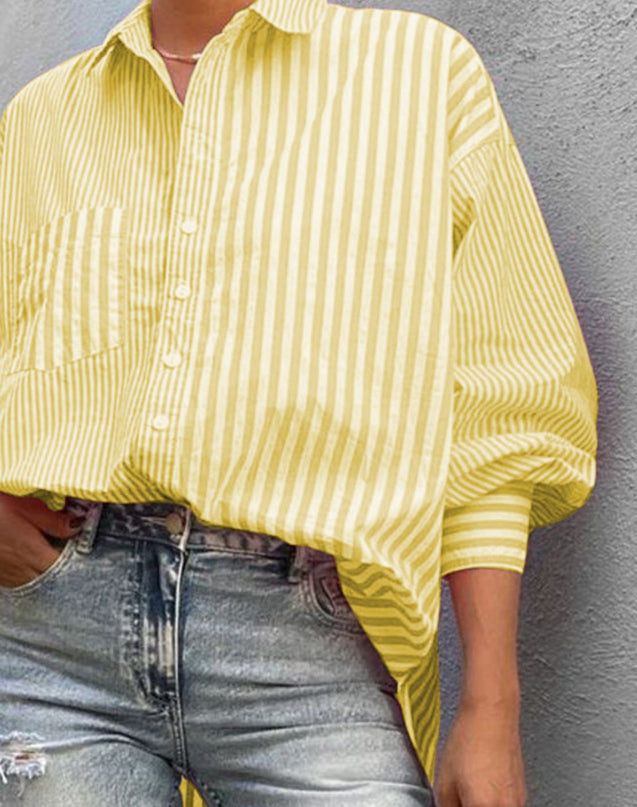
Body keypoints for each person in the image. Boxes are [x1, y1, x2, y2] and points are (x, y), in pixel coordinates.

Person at [0, 0, 597, 805]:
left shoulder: (418, 75)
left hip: (310, 641)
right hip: (52, 635)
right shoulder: (43, 117)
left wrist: (489, 705)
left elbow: (500, 404)